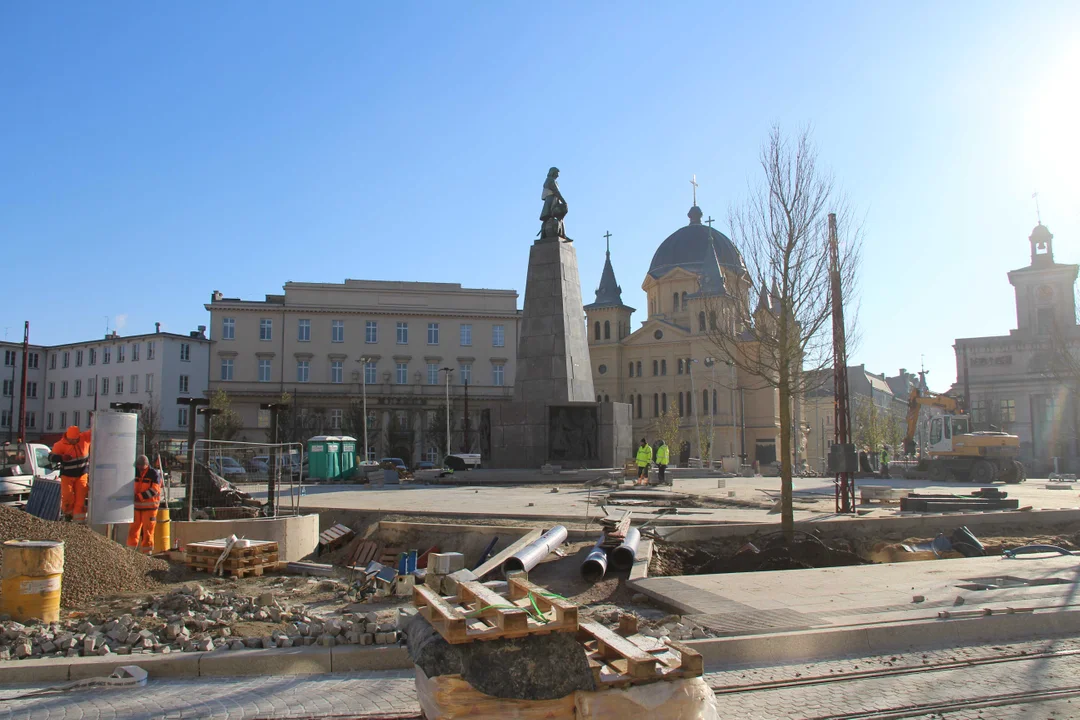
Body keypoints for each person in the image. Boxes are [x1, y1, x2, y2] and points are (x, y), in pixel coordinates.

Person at [50, 425, 91, 523]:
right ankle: (68, 515)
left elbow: (95, 430)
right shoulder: (60, 445)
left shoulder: (84, 438)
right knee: (67, 496)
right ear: (67, 437)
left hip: (81, 474)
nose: (73, 442)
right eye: (71, 440)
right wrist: (61, 457)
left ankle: (79, 521)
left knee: (80, 499)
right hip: (67, 475)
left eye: (75, 440)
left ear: (79, 436)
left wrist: (96, 418)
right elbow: (51, 457)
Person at [128, 455, 162, 554]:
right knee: (133, 530)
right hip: (137, 507)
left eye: (141, 467)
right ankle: (130, 552)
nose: (140, 469)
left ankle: (147, 554)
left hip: (150, 508)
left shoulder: (154, 474)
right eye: (138, 467)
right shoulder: (135, 471)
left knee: (148, 531)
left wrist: (139, 496)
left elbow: (154, 490)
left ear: (147, 465)